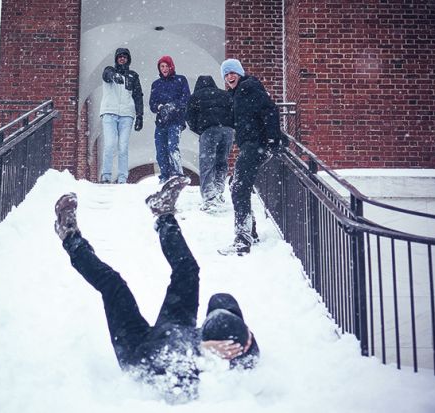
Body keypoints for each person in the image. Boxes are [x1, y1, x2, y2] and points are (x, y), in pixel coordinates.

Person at [54, 176, 259, 403]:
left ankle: (69, 235)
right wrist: (232, 324)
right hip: (174, 329)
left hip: (138, 351)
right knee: (187, 269)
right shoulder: (243, 344)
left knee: (113, 285)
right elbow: (222, 299)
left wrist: (198, 349)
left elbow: (160, 353)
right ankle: (163, 214)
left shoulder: (184, 374)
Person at [220, 58, 285, 255]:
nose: (230, 77)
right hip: (251, 144)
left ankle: (243, 239)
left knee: (239, 187)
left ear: (240, 73)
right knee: (237, 185)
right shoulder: (237, 93)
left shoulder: (249, 87)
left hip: (256, 145)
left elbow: (270, 111)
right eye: (227, 74)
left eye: (233, 73)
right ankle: (251, 232)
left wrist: (273, 139)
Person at [185, 75, 234, 212]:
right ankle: (218, 189)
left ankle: (209, 197)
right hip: (228, 131)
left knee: (207, 163)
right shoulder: (225, 95)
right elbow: (234, 111)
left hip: (209, 131)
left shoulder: (195, 97)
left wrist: (200, 130)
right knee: (222, 161)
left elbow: (189, 117)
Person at [99, 48, 144, 184]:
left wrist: (139, 115)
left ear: (128, 59)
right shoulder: (109, 71)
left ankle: (122, 177)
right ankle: (106, 176)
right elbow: (107, 73)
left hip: (126, 114)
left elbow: (138, 96)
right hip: (109, 112)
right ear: (116, 59)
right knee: (109, 145)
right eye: (120, 57)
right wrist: (114, 76)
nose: (122, 59)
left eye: (125, 57)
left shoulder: (133, 76)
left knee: (123, 147)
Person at [149, 56, 191, 183]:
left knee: (172, 147)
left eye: (167, 66)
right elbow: (152, 104)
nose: (164, 69)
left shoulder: (180, 80)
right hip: (161, 121)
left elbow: (186, 98)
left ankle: (177, 174)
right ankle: (165, 176)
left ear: (171, 66)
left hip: (176, 120)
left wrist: (173, 106)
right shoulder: (156, 84)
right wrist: (160, 107)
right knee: (160, 149)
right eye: (162, 66)